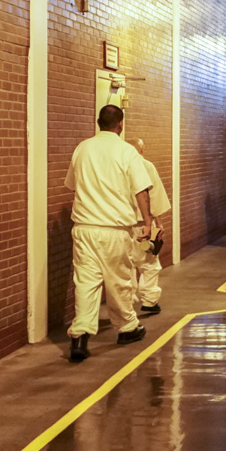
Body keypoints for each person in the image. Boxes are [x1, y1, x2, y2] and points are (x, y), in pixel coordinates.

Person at [65, 105, 153, 362]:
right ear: (121, 125)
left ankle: (80, 335)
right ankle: (127, 327)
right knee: (119, 281)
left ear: (97, 122)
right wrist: (146, 222)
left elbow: (73, 185)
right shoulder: (127, 152)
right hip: (114, 228)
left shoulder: (82, 148)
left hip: (84, 228)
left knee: (85, 282)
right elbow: (141, 191)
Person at [127, 137, 171, 316]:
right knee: (150, 264)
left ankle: (126, 302)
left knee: (125, 266)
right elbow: (153, 196)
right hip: (142, 225)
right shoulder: (147, 166)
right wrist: (157, 222)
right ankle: (150, 300)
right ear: (141, 151)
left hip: (121, 227)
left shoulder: (118, 168)